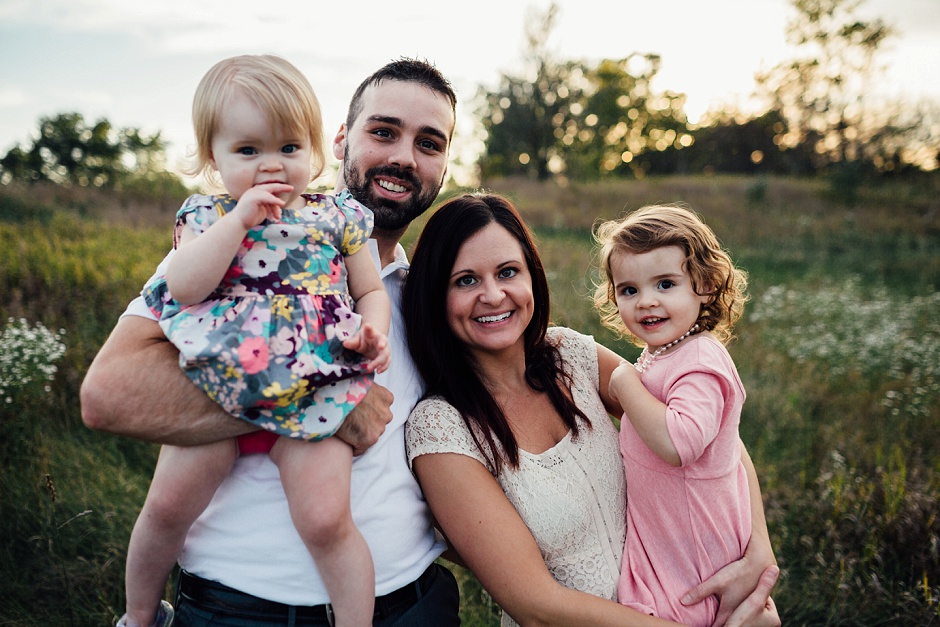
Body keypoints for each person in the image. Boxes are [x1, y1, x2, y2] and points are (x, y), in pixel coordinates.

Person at [81, 58, 461, 626]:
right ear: (340, 139)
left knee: (326, 519)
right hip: (237, 611)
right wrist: (324, 399)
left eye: (428, 143)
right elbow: (106, 394)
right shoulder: (210, 227)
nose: (404, 156)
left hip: (409, 604)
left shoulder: (425, 291)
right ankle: (139, 618)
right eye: (383, 132)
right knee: (164, 508)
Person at [402, 193, 780, 626]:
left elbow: (706, 436)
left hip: (678, 601)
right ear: (436, 296)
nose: (493, 295)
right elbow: (538, 606)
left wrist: (758, 555)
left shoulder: (569, 355)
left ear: (532, 277)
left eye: (508, 272)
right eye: (465, 280)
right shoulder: (441, 428)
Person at [594, 204, 752, 626]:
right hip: (668, 542)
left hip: (696, 555)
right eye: (629, 290)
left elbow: (677, 444)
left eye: (665, 283)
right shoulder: (664, 353)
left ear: (704, 284)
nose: (646, 301)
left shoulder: (700, 358)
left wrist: (625, 383)